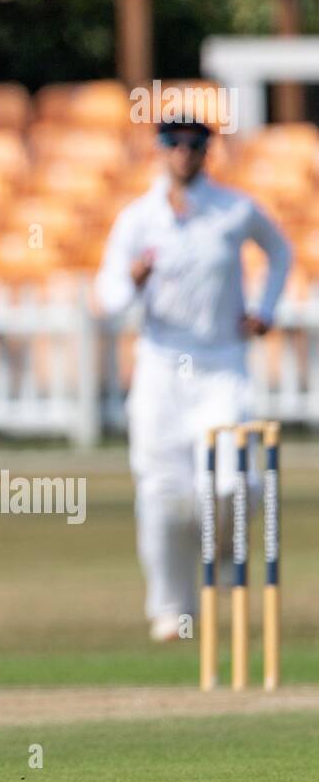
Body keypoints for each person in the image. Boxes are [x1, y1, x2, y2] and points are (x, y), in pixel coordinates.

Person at [95, 115, 291, 641]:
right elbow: (109, 296)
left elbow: (279, 251)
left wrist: (264, 309)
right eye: (173, 144)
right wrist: (132, 282)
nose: (184, 153)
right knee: (161, 495)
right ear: (160, 151)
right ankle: (171, 610)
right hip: (161, 369)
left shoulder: (234, 209)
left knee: (235, 484)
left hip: (223, 365)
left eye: (194, 144)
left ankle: (226, 555)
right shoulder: (138, 219)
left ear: (207, 151)